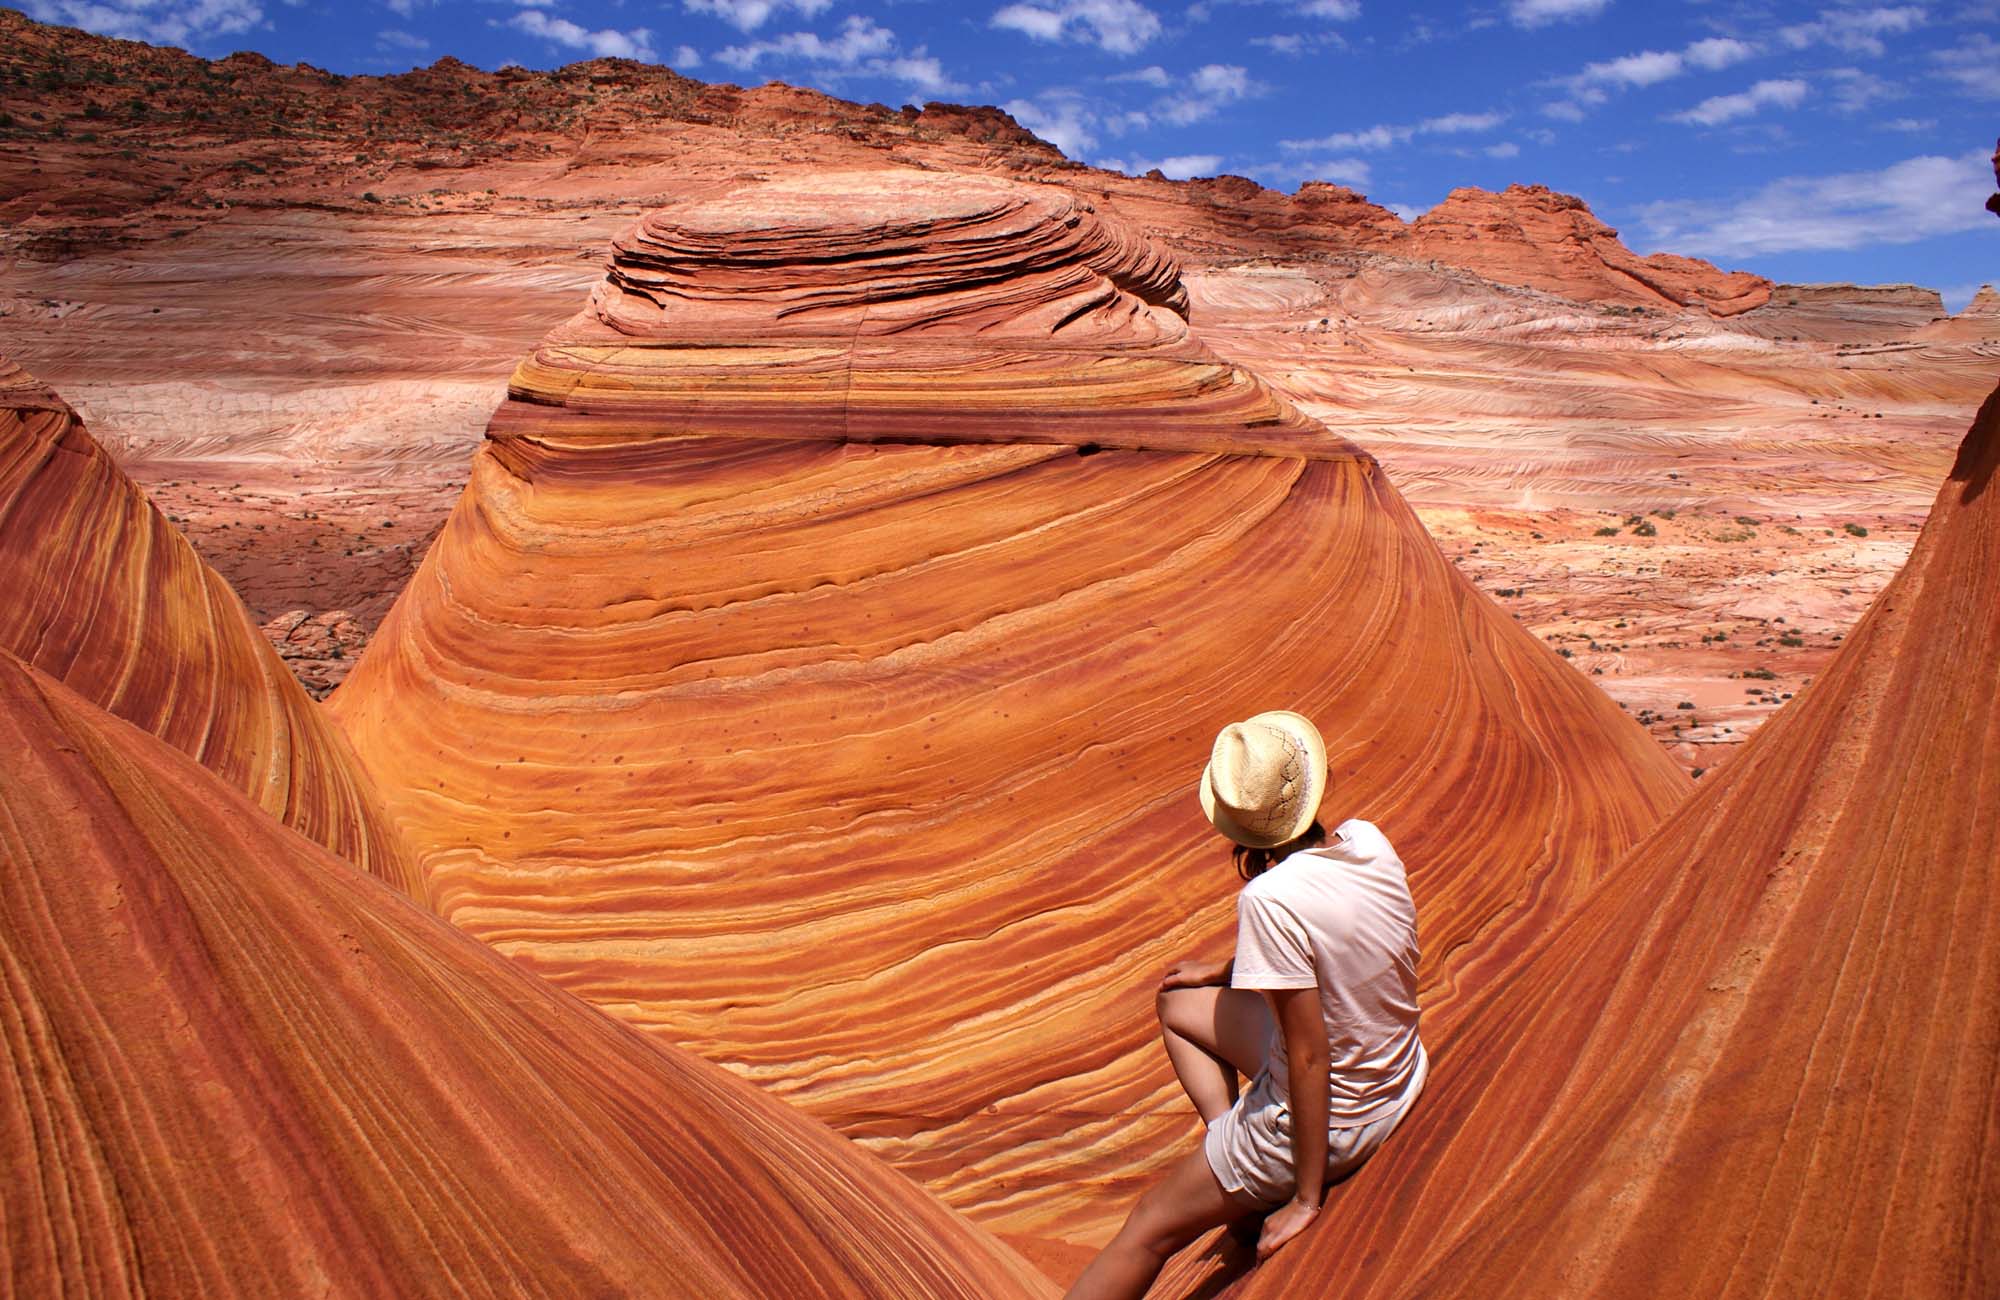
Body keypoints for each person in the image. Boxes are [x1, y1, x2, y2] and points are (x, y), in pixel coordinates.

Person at [1064, 710, 1426, 1300]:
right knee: (1179, 1004)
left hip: (1333, 1120)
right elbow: (1339, 946)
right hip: (1395, 1073)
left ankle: (1247, 1170)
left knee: (1145, 1231)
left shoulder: (1269, 897)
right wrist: (1228, 969)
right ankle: (1226, 1144)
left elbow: (1310, 1058)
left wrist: (1307, 1200)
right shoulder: (1370, 842)